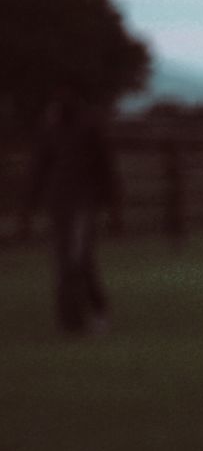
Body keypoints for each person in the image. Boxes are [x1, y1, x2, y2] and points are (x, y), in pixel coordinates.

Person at [26, 91, 118, 335]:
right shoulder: (52, 131)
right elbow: (40, 167)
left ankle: (86, 315)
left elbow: (104, 167)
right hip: (62, 205)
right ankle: (72, 320)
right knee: (67, 260)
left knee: (76, 259)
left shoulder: (84, 129)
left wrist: (109, 201)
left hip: (80, 205)